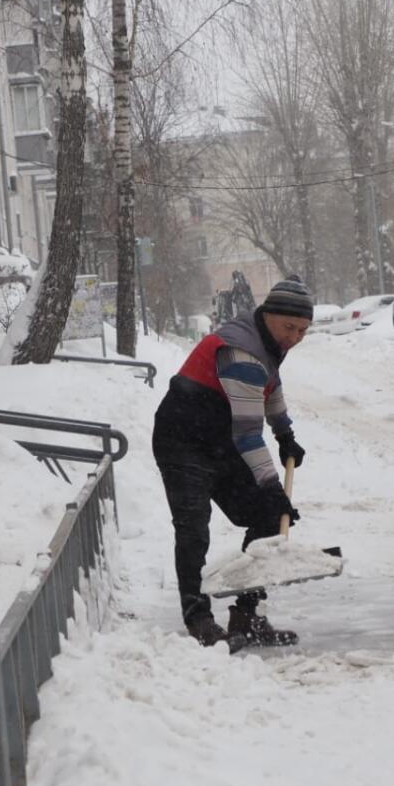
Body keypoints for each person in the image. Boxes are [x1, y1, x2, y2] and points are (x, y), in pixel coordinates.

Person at [152, 277, 313, 651]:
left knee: (267, 517)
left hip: (220, 439)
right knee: (193, 529)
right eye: (289, 327)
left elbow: (270, 387)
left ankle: (246, 616)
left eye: (303, 330)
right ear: (268, 316)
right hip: (183, 440)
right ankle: (199, 619)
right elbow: (247, 434)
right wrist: (273, 486)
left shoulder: (267, 344)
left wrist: (285, 433)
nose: (294, 337)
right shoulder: (241, 351)